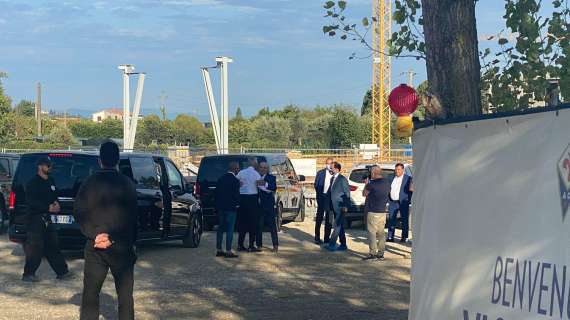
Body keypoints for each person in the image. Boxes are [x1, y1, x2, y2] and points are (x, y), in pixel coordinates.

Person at [74, 141, 138, 320]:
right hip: (121, 247)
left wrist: (95, 234)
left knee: (90, 295)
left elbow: (79, 212)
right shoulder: (127, 183)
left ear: (99, 160)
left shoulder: (88, 183)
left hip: (95, 247)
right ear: (118, 160)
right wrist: (114, 238)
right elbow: (131, 218)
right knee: (125, 297)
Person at [21, 156, 71, 282]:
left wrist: (57, 204)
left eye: (50, 166)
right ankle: (28, 274)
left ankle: (62, 272)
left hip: (48, 219)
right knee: (35, 248)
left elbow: (54, 195)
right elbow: (31, 201)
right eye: (48, 166)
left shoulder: (51, 181)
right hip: (35, 219)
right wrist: (46, 208)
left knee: (53, 245)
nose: (50, 168)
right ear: (40, 166)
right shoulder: (33, 183)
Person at [362, 166, 391, 261]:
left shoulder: (372, 184)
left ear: (373, 173)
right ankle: (381, 254)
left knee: (372, 234)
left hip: (372, 211)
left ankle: (372, 253)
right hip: (382, 212)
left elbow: (364, 194)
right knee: (381, 234)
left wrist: (366, 184)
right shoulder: (387, 182)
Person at [215, 162, 240, 258]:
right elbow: (236, 195)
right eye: (237, 168)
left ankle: (219, 249)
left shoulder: (221, 179)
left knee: (220, 228)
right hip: (231, 208)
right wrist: (237, 205)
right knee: (230, 229)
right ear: (234, 169)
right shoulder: (235, 180)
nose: (238, 170)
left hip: (221, 207)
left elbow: (217, 193)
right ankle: (228, 250)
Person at [236, 157, 262, 252]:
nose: (256, 164)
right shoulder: (256, 174)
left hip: (242, 198)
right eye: (256, 163)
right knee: (253, 223)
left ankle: (240, 244)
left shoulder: (241, 173)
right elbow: (260, 186)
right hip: (253, 199)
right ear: (253, 163)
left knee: (242, 222)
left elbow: (236, 182)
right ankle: (251, 245)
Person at [324, 162, 351, 252]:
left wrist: (345, 205)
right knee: (340, 226)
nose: (331, 170)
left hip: (340, 206)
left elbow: (347, 193)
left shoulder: (342, 179)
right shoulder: (333, 179)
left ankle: (332, 244)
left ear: (337, 169)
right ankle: (343, 244)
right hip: (333, 206)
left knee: (337, 225)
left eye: (332, 168)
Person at [387, 163, 413, 243]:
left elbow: (410, 190)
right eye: (396, 169)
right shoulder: (391, 177)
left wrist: (408, 200)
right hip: (392, 202)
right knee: (391, 220)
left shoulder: (408, 178)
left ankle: (404, 237)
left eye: (398, 169)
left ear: (402, 170)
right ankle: (390, 237)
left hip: (403, 202)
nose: (397, 171)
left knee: (404, 220)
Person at [257, 161, 279, 253]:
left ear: (267, 169)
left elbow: (273, 187)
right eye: (261, 167)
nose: (263, 169)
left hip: (269, 206)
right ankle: (259, 245)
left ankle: (275, 245)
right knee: (259, 226)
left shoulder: (271, 177)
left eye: (265, 168)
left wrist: (265, 184)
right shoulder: (256, 177)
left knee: (272, 226)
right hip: (258, 205)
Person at [313, 157, 334, 244]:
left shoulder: (334, 174)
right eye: (327, 163)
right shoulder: (320, 173)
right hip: (322, 197)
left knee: (329, 219)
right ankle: (317, 237)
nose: (328, 165)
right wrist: (319, 195)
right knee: (319, 218)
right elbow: (316, 185)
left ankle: (326, 238)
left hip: (330, 198)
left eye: (330, 164)